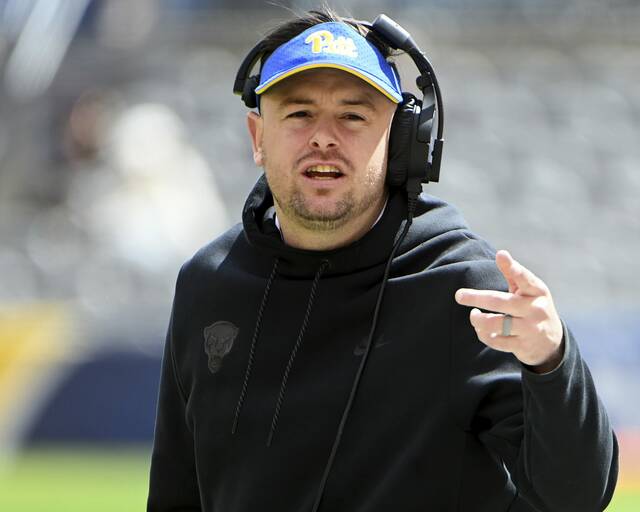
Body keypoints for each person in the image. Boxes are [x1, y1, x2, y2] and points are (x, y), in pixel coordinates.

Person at [147, 8, 618, 512]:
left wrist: (551, 361)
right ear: (258, 137)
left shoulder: (462, 285)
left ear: (398, 140)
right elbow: (178, 491)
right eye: (299, 113)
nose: (323, 137)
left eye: (352, 116)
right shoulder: (208, 282)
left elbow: (576, 497)